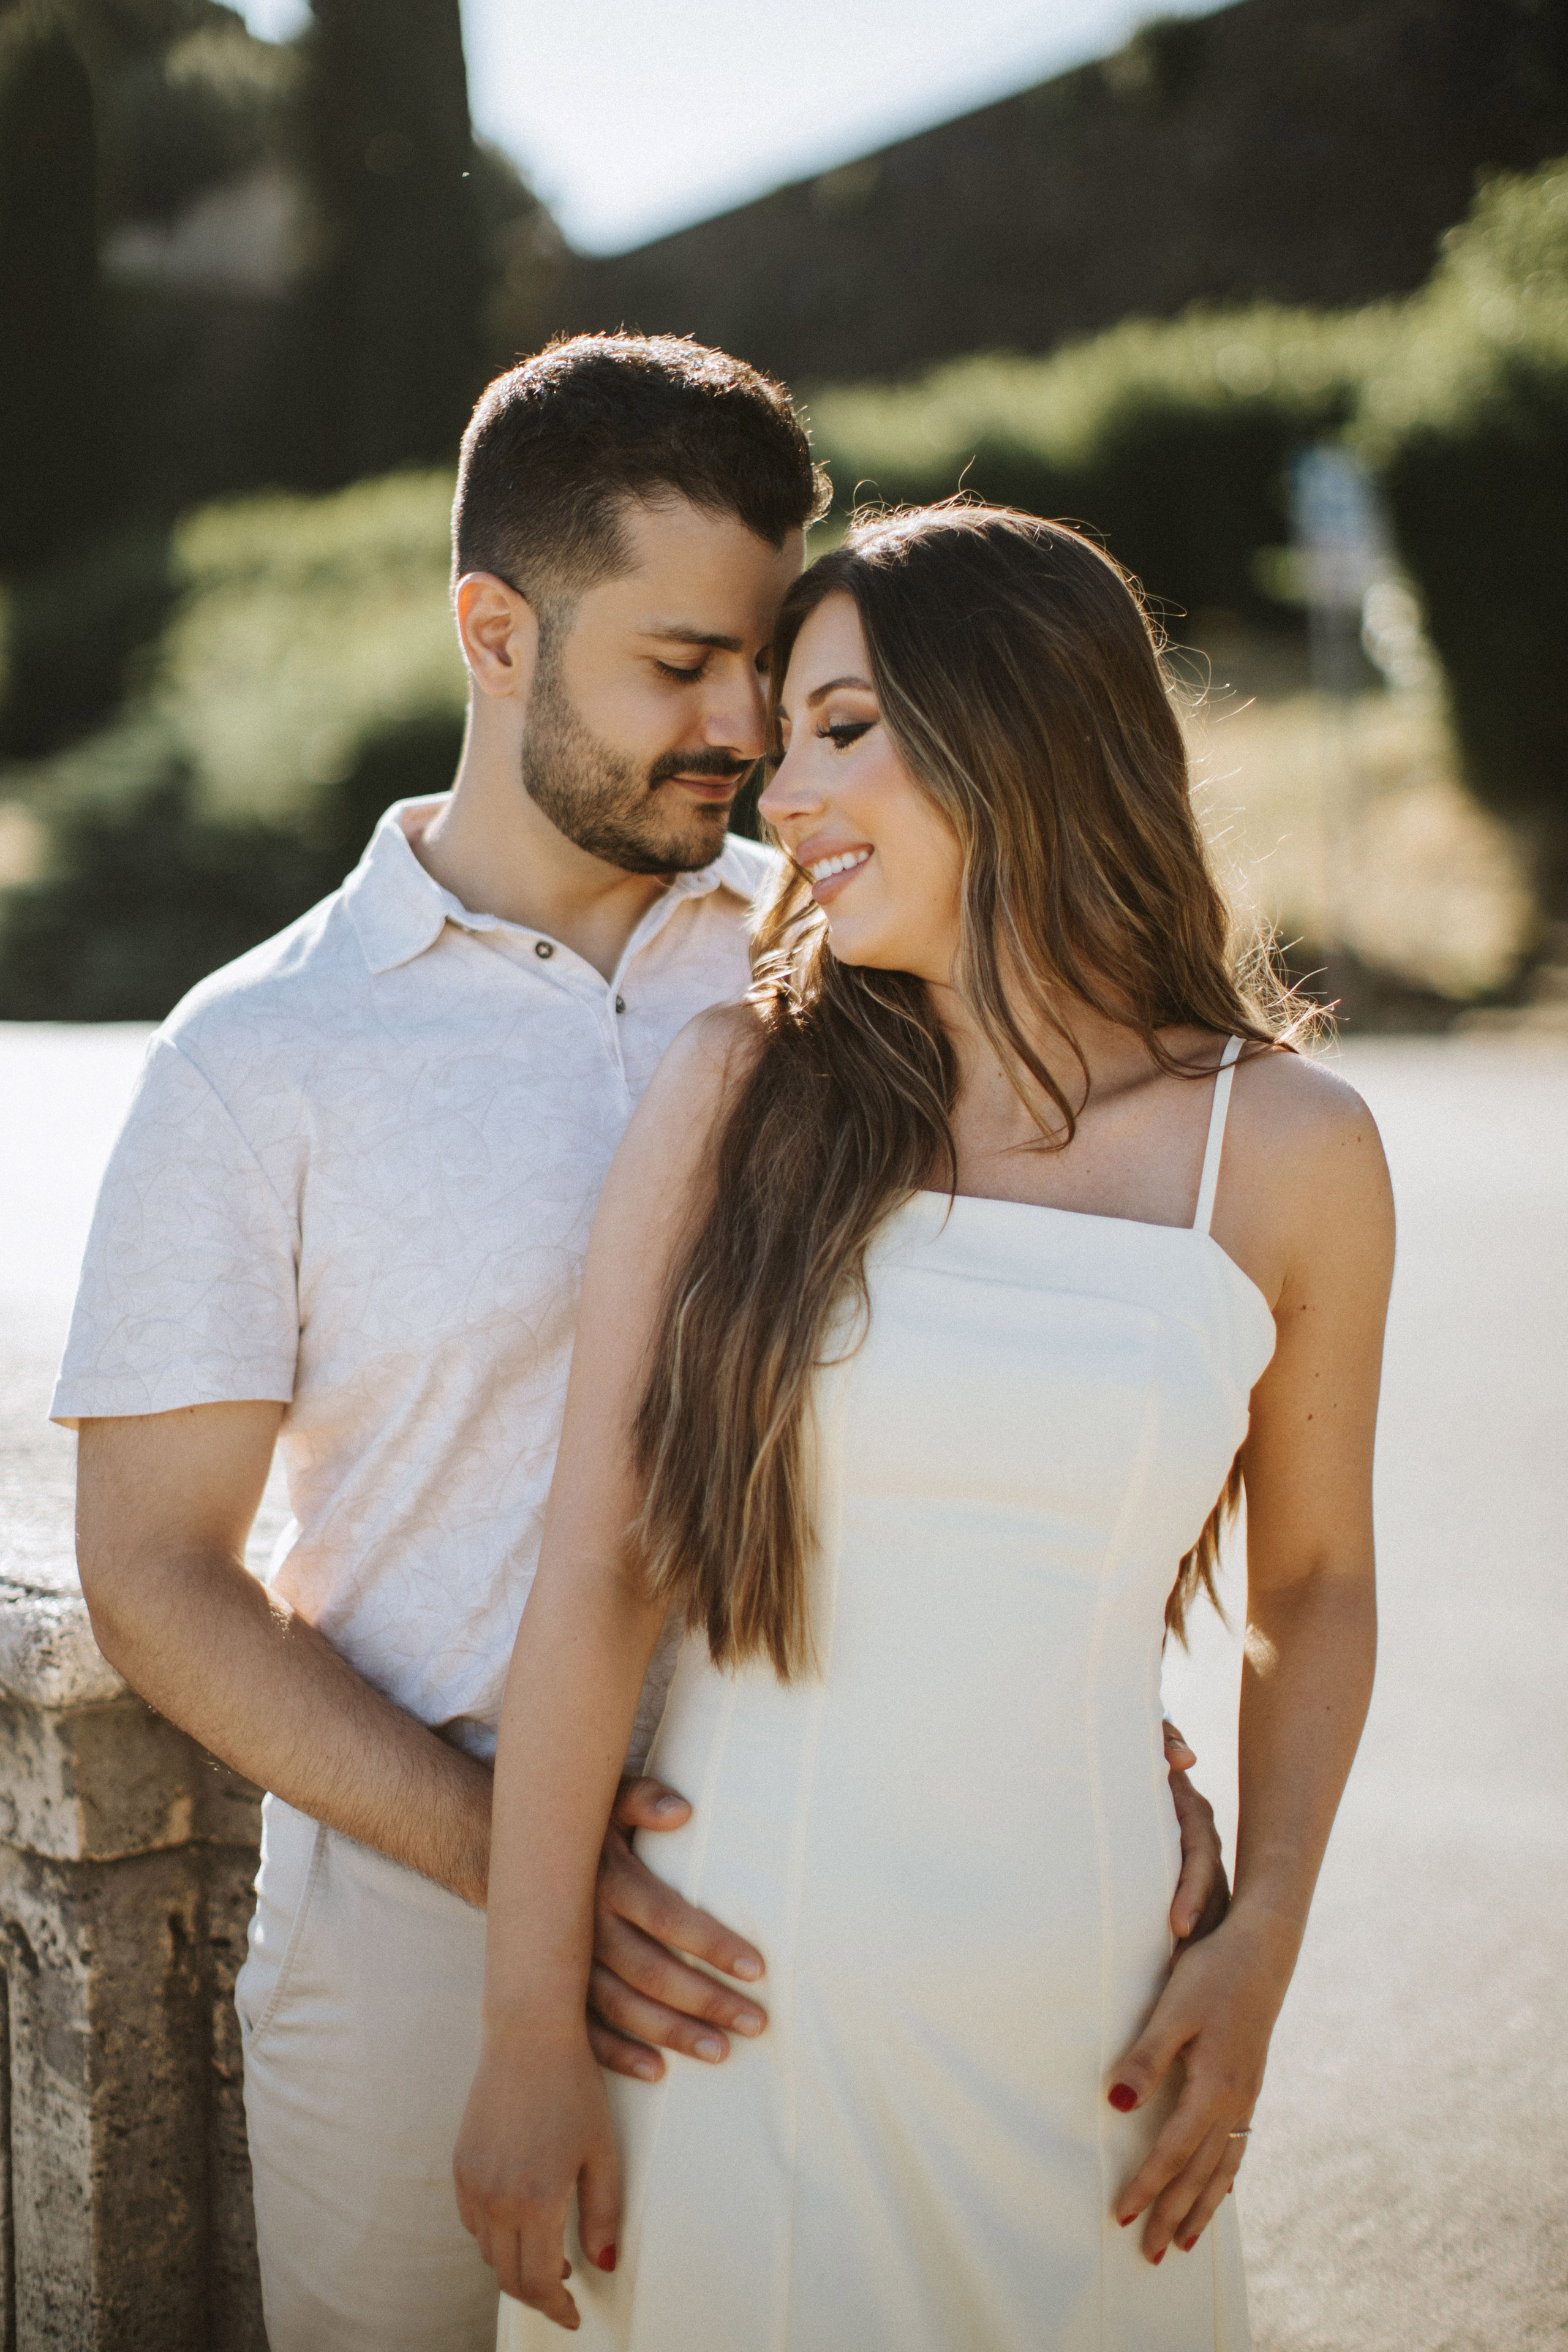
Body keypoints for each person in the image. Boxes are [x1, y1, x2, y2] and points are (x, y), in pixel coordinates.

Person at [55, 342, 1226, 2352]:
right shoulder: (261, 1057)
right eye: (679, 663)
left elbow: (1051, 1361)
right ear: (493, 633)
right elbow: (152, 1574)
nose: (745, 725)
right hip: (424, 1939)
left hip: (844, 1898)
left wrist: (1084, 1749)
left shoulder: (864, 961)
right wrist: (538, 1882)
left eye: (767, 662)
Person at [456, 503, 1393, 2350]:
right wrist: (524, 2034)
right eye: (788, 740)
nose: (781, 794)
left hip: (1094, 2019)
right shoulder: (743, 1091)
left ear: (1025, 733)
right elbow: (597, 1575)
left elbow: (1322, 1579)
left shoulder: (1288, 1155)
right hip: (733, 2013)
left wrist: (1263, 1940)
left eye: (844, 729)